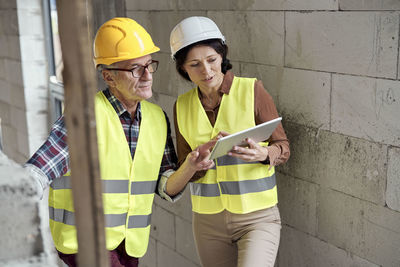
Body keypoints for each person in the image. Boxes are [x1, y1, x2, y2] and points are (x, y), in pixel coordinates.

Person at [25, 17, 214, 267]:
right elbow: (43, 165)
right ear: (109, 77)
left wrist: (190, 166)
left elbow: (164, 186)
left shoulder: (158, 119)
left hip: (129, 242)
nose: (147, 76)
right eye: (136, 69)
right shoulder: (85, 115)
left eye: (149, 65)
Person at [169, 16, 290, 267]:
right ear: (183, 69)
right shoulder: (181, 106)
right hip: (207, 223)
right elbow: (183, 165)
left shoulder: (252, 90)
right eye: (195, 65)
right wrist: (194, 164)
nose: (207, 71)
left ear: (222, 56)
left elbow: (283, 147)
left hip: (257, 219)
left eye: (212, 60)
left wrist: (264, 155)